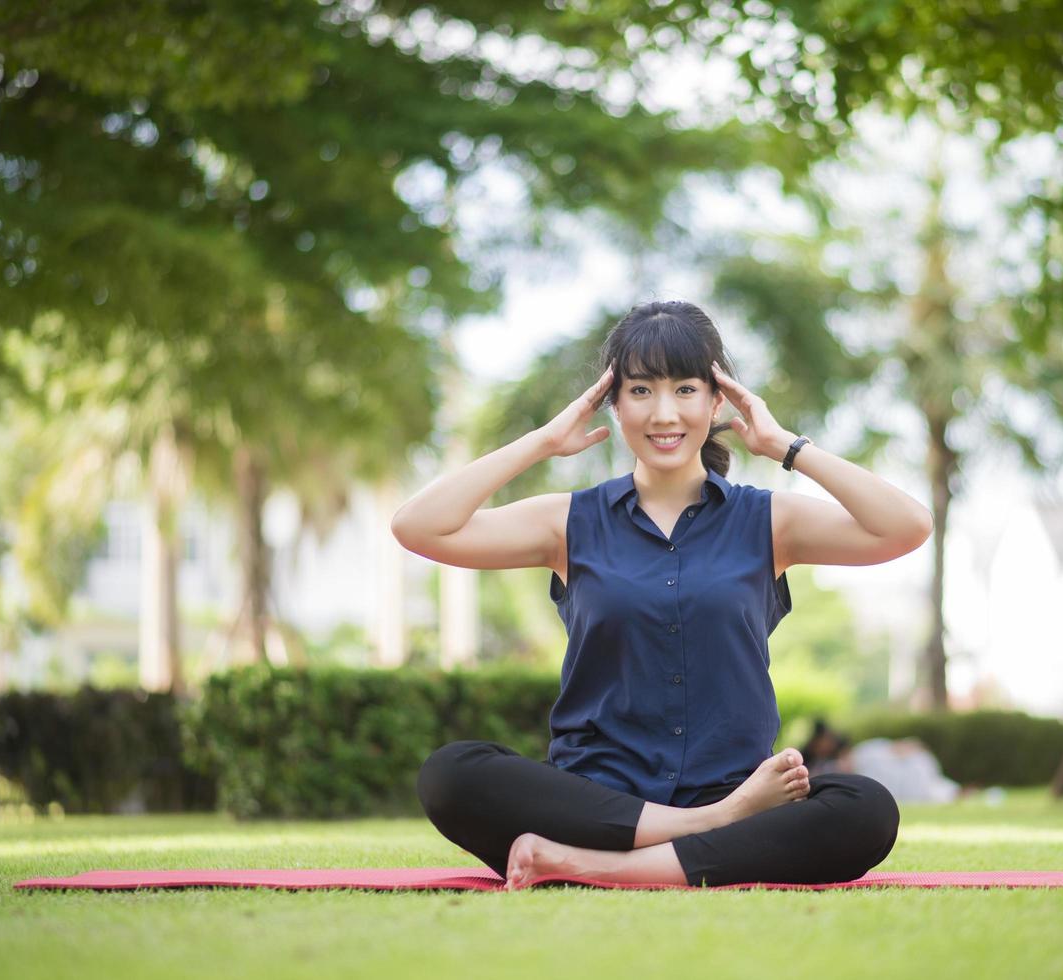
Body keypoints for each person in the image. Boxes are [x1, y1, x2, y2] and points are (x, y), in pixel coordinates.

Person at [394, 300, 933, 890]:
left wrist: (785, 447)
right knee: (452, 773)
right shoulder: (569, 522)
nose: (664, 413)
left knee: (866, 807)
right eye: (642, 390)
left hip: (729, 786)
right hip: (603, 805)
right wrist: (544, 442)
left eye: (685, 388)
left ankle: (586, 867)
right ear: (614, 404)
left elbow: (905, 526)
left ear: (716, 401)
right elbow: (419, 527)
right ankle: (702, 831)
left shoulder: (767, 521)